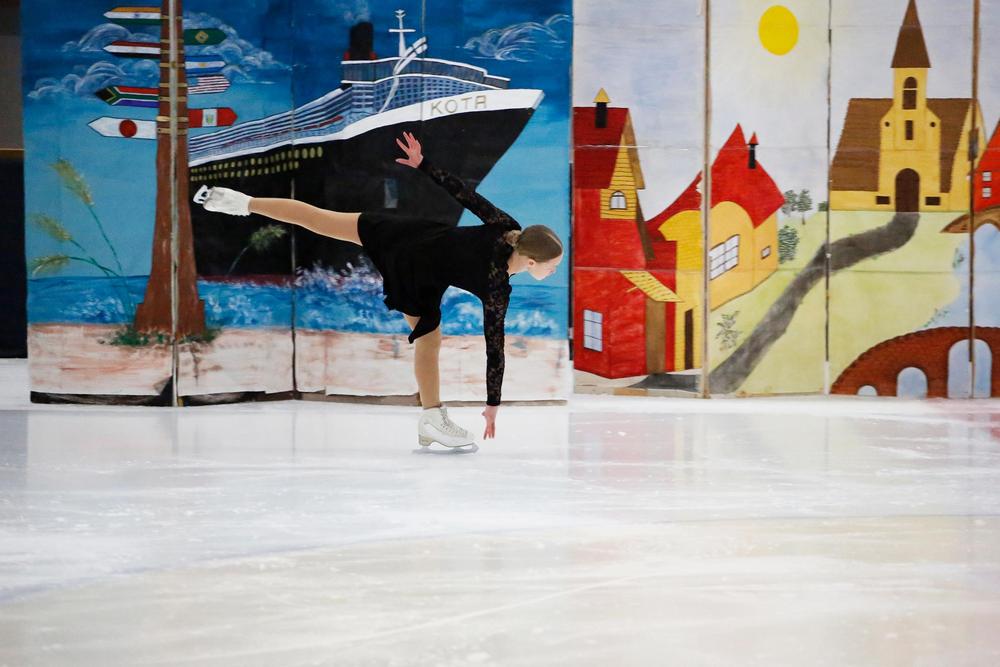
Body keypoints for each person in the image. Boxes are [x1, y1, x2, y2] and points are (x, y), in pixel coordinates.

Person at [196, 132, 563, 449]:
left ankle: (238, 201)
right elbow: (494, 346)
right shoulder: (497, 282)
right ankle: (431, 418)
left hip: (407, 237)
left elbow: (466, 196)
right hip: (414, 265)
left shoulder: (506, 230)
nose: (554, 270)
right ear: (531, 261)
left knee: (319, 219)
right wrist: (493, 403)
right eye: (553, 265)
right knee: (429, 340)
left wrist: (424, 164)